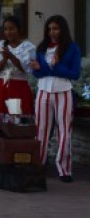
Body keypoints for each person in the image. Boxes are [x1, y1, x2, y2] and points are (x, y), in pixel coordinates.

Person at [30, 14, 81, 183]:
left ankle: (64, 169)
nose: (52, 32)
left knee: (64, 131)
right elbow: (37, 72)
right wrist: (45, 67)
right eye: (50, 29)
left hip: (63, 91)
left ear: (63, 30)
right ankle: (39, 164)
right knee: (41, 130)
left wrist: (55, 66)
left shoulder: (72, 48)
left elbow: (75, 74)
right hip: (44, 90)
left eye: (56, 29)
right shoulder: (42, 47)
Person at [0, 15, 36, 163]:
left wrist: (12, 57)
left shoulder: (29, 47)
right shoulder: (0, 45)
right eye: (6, 29)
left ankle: (18, 155)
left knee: (17, 119)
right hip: (1, 88)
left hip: (18, 88)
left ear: (19, 30)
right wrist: (4, 59)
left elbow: (27, 69)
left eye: (11, 28)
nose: (8, 32)